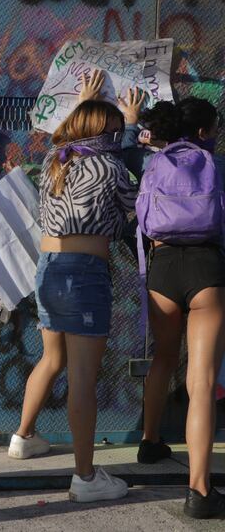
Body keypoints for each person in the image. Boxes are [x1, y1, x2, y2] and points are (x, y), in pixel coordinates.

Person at [7, 70, 139, 503]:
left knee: (52, 357)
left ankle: (23, 437)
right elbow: (135, 211)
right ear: (107, 133)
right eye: (116, 129)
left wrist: (85, 102)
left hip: (48, 268)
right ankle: (85, 478)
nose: (121, 134)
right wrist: (133, 128)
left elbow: (69, 141)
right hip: (84, 274)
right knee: (83, 375)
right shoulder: (112, 166)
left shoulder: (54, 162)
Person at [121, 96, 225, 519]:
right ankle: (199, 491)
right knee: (201, 380)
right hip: (206, 267)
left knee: (162, 357)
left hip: (162, 267)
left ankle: (149, 442)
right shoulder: (217, 163)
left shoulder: (153, 162)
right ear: (204, 132)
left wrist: (130, 122)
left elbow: (126, 155)